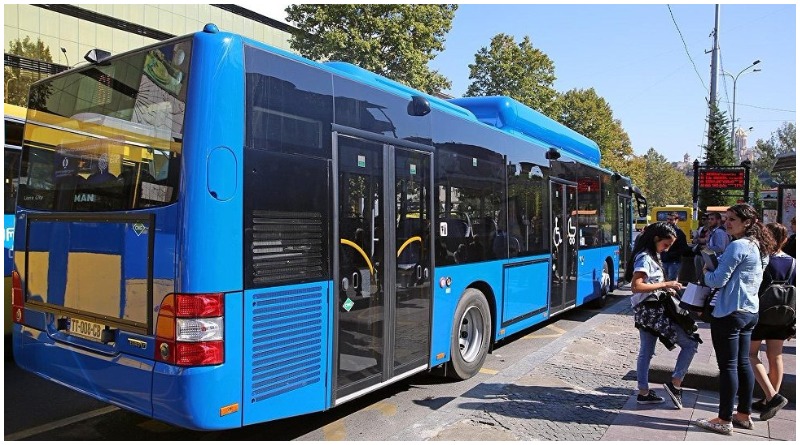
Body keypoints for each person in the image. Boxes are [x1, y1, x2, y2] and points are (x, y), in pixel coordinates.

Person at [694, 204, 776, 435]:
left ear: (747, 223)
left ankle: (723, 419)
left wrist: (706, 272)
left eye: (732, 219)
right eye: (726, 219)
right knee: (743, 363)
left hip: (730, 311)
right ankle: (743, 414)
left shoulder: (738, 245)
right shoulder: (759, 246)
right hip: (749, 310)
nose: (727, 223)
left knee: (728, 366)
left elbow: (718, 280)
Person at [626, 222, 699, 409]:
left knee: (646, 351)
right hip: (653, 312)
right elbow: (636, 286)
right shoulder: (645, 257)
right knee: (690, 343)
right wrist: (665, 285)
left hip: (646, 311)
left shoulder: (649, 255)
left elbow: (646, 285)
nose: (666, 249)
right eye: (666, 245)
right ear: (656, 239)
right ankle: (675, 384)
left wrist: (666, 287)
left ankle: (643, 392)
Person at [748, 222, 794, 420]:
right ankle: (770, 399)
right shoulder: (793, 262)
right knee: (776, 356)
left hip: (761, 312)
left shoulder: (763, 259)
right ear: (785, 240)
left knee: (750, 354)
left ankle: (772, 397)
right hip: (784, 315)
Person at [661, 213, 689, 281]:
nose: (668, 221)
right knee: (663, 280)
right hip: (664, 260)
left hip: (674, 261)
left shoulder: (679, 233)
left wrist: (672, 254)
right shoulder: (664, 231)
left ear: (676, 220)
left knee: (672, 280)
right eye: (667, 219)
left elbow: (684, 248)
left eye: (671, 219)